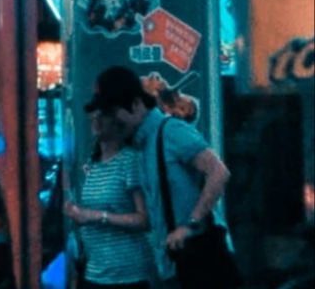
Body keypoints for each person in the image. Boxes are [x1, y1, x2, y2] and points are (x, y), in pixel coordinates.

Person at [87, 66, 232, 287]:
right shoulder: (142, 145)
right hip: (173, 266)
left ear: (136, 104)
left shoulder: (171, 131)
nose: (113, 121)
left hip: (199, 261)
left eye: (115, 112)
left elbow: (218, 172)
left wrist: (190, 224)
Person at [66, 107, 156, 289]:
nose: (96, 118)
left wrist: (98, 216)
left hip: (126, 274)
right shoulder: (93, 164)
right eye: (95, 114)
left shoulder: (129, 161)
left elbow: (144, 219)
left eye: (104, 114)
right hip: (95, 270)